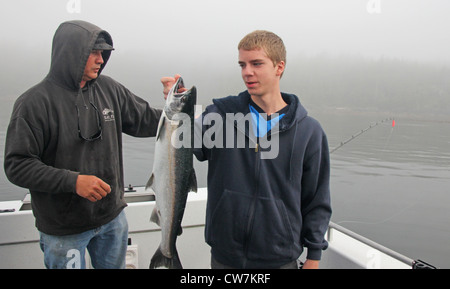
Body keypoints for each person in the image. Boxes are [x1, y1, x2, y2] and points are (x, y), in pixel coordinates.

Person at [162, 30, 332, 269]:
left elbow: (317, 199)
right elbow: (183, 143)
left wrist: (314, 256)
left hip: (280, 259)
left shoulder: (309, 131)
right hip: (224, 257)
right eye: (242, 64)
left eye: (256, 64)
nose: (247, 72)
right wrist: (178, 108)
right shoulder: (220, 116)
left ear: (279, 67)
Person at [3, 20, 162, 269]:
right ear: (71, 53)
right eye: (94, 52)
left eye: (103, 53)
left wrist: (179, 106)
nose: (101, 59)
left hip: (111, 218)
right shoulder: (34, 103)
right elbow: (17, 165)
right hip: (63, 229)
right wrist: (73, 181)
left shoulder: (109, 89)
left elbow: (148, 120)